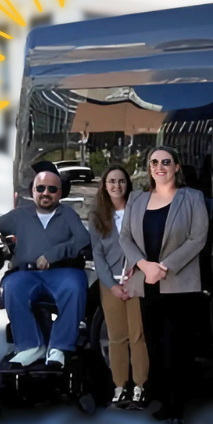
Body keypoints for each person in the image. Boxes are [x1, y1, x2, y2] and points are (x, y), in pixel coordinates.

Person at [119, 146, 209, 424]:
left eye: (166, 162)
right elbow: (125, 237)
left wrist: (165, 267)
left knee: (178, 348)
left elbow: (198, 238)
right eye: (154, 162)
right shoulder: (137, 199)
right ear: (149, 168)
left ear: (177, 166)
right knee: (156, 345)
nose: (160, 166)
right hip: (147, 283)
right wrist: (145, 265)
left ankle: (178, 410)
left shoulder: (192, 198)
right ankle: (165, 404)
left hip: (180, 285)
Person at [0, 162, 91, 369]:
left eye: (52, 189)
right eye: (41, 188)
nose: (46, 193)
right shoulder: (20, 215)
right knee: (12, 286)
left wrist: (53, 254)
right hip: (27, 273)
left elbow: (83, 240)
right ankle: (30, 345)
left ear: (60, 193)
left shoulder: (68, 215)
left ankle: (59, 347)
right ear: (33, 191)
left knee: (75, 286)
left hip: (62, 272)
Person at [89, 164, 149, 409]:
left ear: (128, 185)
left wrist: (137, 273)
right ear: (104, 185)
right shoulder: (97, 216)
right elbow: (98, 255)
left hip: (136, 281)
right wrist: (112, 286)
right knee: (116, 337)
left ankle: (140, 387)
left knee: (138, 336)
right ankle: (119, 386)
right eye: (111, 181)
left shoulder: (138, 211)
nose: (116, 186)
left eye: (121, 181)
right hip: (111, 283)